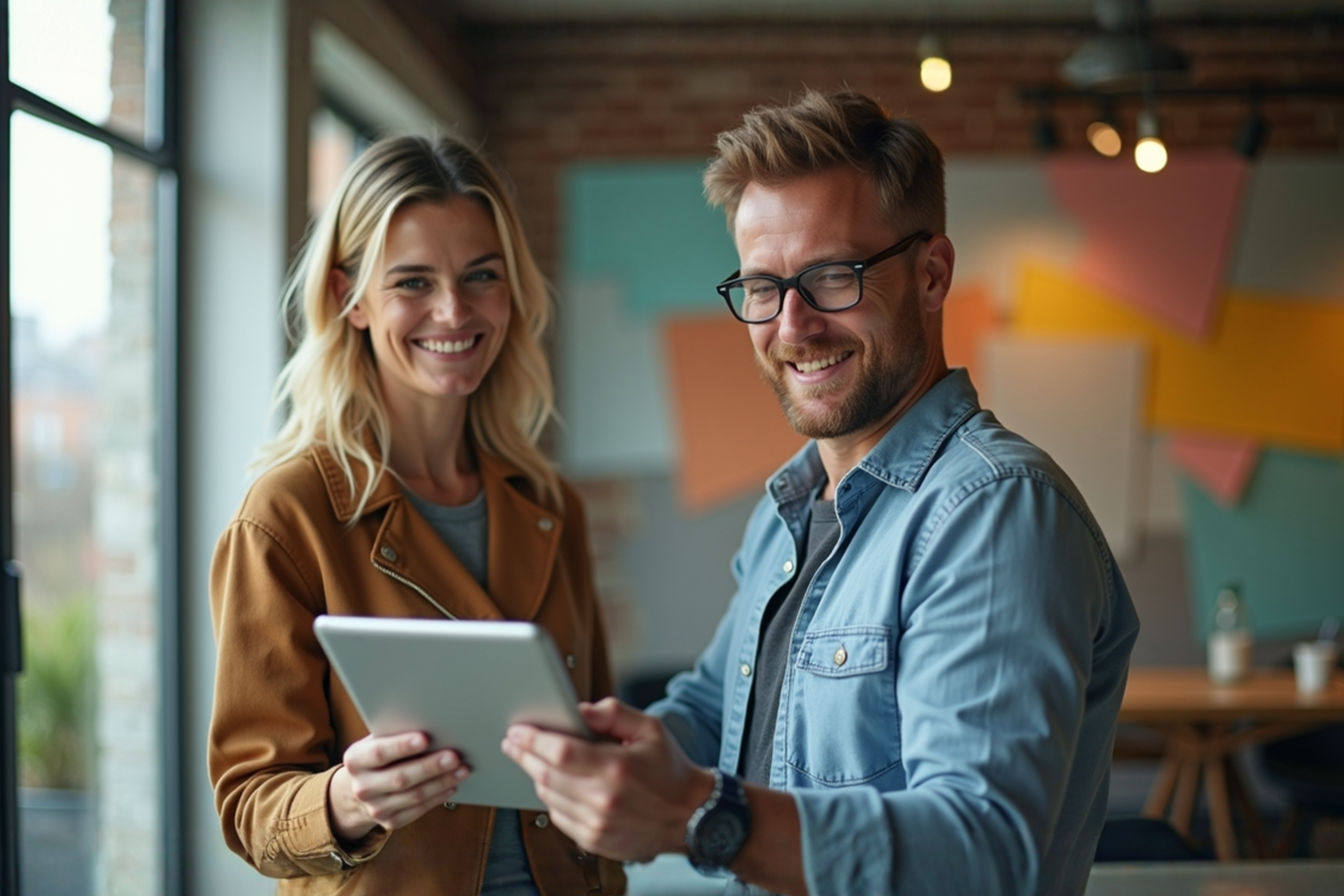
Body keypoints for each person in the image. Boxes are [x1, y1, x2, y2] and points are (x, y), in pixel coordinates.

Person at [502, 88, 1140, 896]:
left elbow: (982, 855)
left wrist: (701, 813)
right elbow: (715, 708)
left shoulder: (996, 510)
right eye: (763, 288)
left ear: (933, 274)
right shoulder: (792, 511)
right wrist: (591, 753)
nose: (793, 326)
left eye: (833, 276)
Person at [207, 134, 625, 896]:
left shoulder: (547, 504)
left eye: (481, 276)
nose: (453, 310)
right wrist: (346, 800)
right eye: (412, 282)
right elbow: (248, 805)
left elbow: (591, 727)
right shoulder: (287, 515)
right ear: (349, 299)